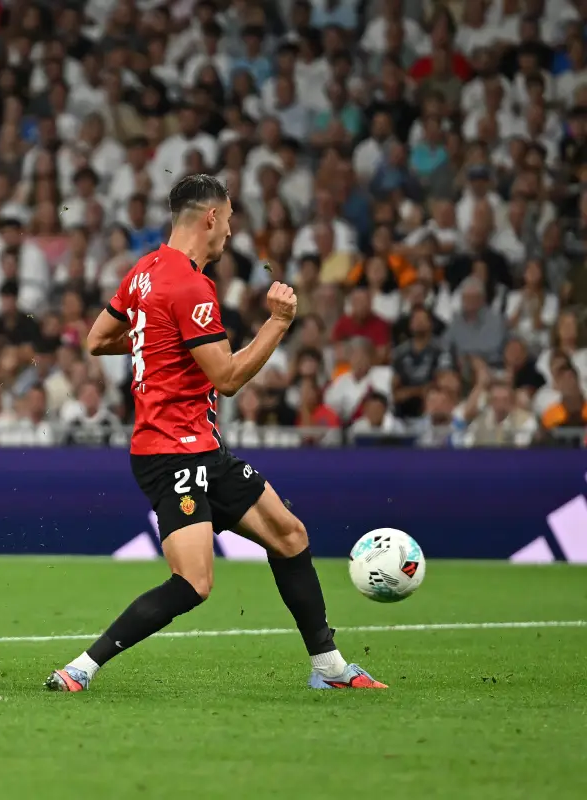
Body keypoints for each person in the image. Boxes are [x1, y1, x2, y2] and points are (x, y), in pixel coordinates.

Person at [45, 174, 386, 693]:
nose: (229, 231)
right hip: (170, 453)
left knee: (290, 535)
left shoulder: (143, 271)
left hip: (202, 448)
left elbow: (98, 339)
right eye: (228, 220)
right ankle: (81, 669)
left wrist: (158, 346)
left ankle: (329, 667)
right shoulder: (190, 284)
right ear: (210, 217)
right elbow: (226, 378)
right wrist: (278, 322)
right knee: (195, 583)